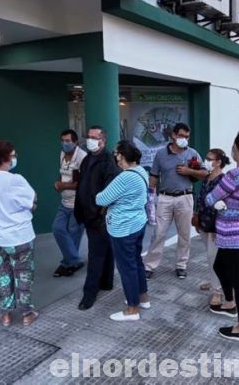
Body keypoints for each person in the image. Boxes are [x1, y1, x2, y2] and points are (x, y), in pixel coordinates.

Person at [206, 132, 239, 342]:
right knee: (219, 265)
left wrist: (222, 203)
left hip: (231, 230)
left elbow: (211, 198)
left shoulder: (234, 175)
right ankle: (229, 302)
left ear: (236, 148)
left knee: (238, 278)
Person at [0, 140, 38, 326]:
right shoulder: (15, 179)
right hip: (19, 237)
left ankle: (5, 314)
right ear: (5, 158)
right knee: (23, 275)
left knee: (4, 275)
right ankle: (27, 313)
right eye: (13, 155)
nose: (15, 159)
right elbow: (32, 200)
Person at [96, 141, 151, 322]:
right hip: (137, 223)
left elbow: (101, 199)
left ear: (121, 155)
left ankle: (132, 309)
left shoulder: (125, 177)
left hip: (123, 227)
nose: (115, 157)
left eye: (116, 153)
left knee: (126, 267)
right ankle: (143, 298)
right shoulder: (141, 171)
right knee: (136, 262)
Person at [145, 123, 208, 280]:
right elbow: (154, 175)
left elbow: (205, 172)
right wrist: (148, 197)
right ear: (173, 135)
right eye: (181, 136)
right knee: (159, 233)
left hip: (185, 197)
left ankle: (181, 265)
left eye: (187, 137)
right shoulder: (160, 154)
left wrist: (190, 171)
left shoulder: (192, 153)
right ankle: (150, 265)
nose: (184, 139)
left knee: (184, 233)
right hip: (165, 197)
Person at [74, 126, 119, 310]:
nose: (90, 140)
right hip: (87, 213)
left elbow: (110, 192)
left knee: (95, 255)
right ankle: (106, 282)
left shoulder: (109, 161)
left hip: (99, 217)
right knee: (105, 251)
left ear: (103, 140)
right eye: (89, 136)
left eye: (94, 137)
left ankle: (89, 294)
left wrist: (100, 215)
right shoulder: (87, 159)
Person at [194, 149, 229, 306]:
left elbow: (224, 206)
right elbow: (201, 198)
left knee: (213, 257)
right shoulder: (207, 177)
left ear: (218, 162)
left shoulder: (224, 180)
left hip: (215, 226)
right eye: (206, 158)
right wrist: (196, 217)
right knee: (209, 256)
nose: (206, 161)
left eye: (209, 159)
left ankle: (217, 291)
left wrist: (218, 229)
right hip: (204, 222)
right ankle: (213, 281)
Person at [52, 129, 87, 277]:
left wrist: (63, 186)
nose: (65, 144)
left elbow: (83, 183)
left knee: (74, 232)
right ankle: (73, 260)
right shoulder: (62, 154)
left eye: (68, 141)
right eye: (63, 140)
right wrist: (58, 183)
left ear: (76, 142)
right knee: (57, 228)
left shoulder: (82, 157)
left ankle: (67, 263)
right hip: (64, 202)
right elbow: (61, 173)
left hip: (78, 203)